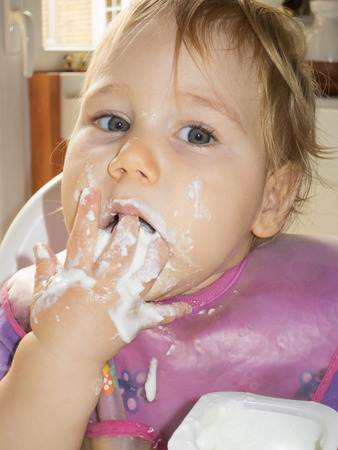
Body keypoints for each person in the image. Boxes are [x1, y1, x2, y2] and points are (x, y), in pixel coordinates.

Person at [0, 0, 337, 448]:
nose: (131, 158)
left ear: (270, 198)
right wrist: (59, 356)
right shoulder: (25, 317)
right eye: (113, 121)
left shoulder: (320, 319)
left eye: (197, 134)